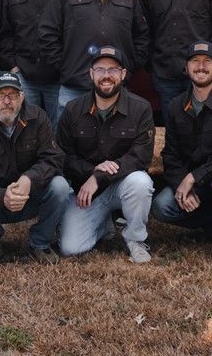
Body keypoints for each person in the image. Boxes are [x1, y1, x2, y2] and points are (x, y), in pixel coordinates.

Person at [0, 71, 71, 264]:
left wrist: (29, 179)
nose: (7, 101)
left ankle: (40, 242)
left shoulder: (38, 117)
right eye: (1, 95)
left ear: (22, 97)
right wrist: (1, 195)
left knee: (60, 186)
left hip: (29, 195)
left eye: (13, 95)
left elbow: (54, 158)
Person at [56, 47, 156, 263]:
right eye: (100, 69)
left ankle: (136, 239)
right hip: (87, 192)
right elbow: (62, 156)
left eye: (113, 69)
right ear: (91, 74)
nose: (106, 76)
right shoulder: (73, 109)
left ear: (123, 74)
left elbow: (140, 157)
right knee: (70, 248)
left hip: (123, 185)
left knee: (141, 181)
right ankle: (103, 224)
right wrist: (92, 172)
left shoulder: (141, 108)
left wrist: (100, 177)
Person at [150, 43, 212, 261]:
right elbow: (171, 154)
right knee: (161, 207)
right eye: (195, 61)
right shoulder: (176, 105)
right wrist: (180, 183)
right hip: (195, 182)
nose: (201, 67)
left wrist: (194, 176)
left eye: (208, 61)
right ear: (186, 67)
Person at [38, 0, 149, 112]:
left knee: (115, 138)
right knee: (70, 139)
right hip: (74, 88)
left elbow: (142, 36)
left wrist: (129, 65)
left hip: (116, 88)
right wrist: (66, 66)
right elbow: (47, 34)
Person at [4, 0, 66, 128]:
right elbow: (5, 30)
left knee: (59, 130)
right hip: (25, 76)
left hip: (58, 77)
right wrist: (13, 67)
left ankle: (56, 160)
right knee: (26, 130)